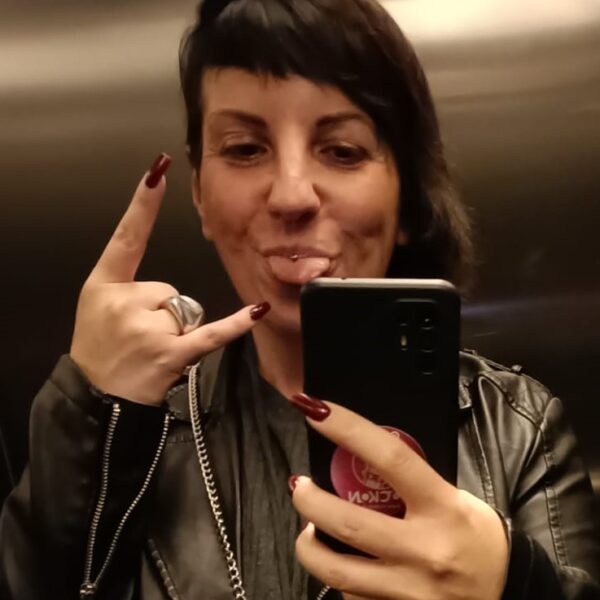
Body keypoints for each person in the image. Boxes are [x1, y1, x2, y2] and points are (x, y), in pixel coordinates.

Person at [1, 0, 599, 598]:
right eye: (244, 148)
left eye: (343, 151)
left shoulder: (516, 426)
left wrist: (512, 585)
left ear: (408, 199)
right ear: (201, 193)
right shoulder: (136, 431)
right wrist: (91, 420)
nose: (291, 196)